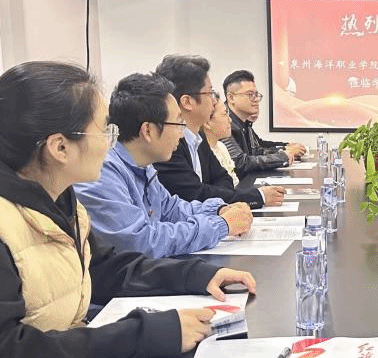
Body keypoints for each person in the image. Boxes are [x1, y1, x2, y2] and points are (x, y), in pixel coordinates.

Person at [0, 61, 256, 358]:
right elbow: (8, 355)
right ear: (60, 147)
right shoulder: (7, 223)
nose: (110, 143)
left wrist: (195, 275)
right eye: (102, 131)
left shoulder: (63, 202)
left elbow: (105, 268)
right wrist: (143, 335)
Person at [75, 73, 252, 258]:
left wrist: (218, 210)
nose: (181, 135)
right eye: (178, 124)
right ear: (148, 130)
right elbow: (142, 241)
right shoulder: (102, 175)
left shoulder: (144, 167)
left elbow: (171, 209)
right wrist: (221, 225)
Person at [152, 55, 284, 207]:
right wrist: (258, 196)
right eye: (209, 93)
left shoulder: (198, 137)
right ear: (187, 102)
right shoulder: (167, 144)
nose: (214, 100)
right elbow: (195, 195)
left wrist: (216, 194)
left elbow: (223, 178)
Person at [222, 69, 306, 177]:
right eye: (250, 94)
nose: (256, 99)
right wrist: (283, 156)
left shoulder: (244, 123)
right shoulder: (223, 123)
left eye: (256, 94)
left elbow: (257, 150)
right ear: (231, 98)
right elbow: (240, 163)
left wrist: (285, 148)